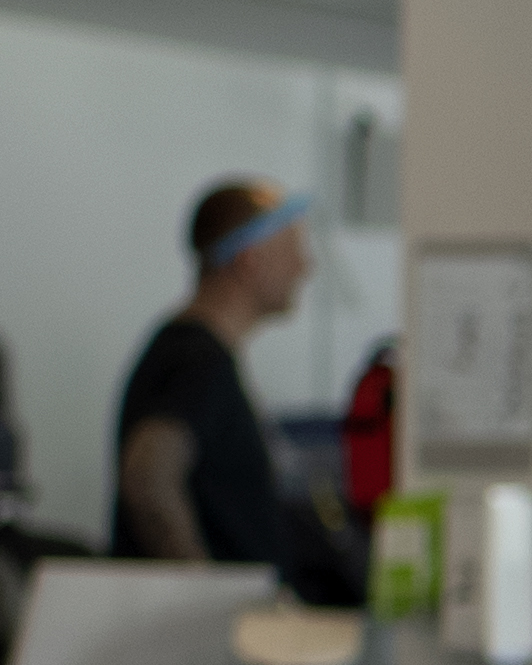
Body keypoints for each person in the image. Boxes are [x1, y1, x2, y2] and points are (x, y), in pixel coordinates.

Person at [112, 179, 360, 601]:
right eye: (292, 249)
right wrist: (204, 600)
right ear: (250, 261)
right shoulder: (194, 360)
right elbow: (148, 477)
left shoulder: (197, 355)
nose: (305, 267)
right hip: (204, 644)